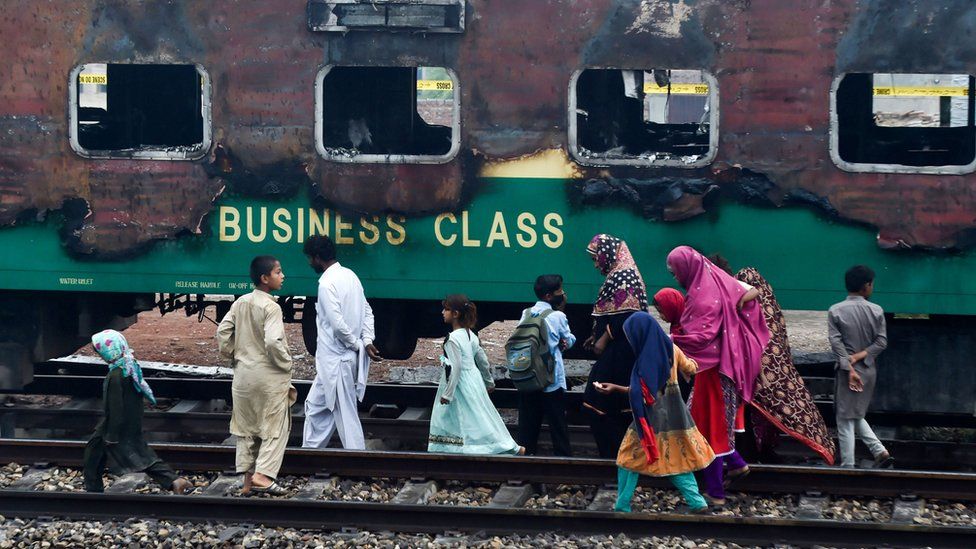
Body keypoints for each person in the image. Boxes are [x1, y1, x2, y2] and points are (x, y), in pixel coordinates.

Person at [705, 255, 836, 465]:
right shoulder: (751, 293)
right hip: (766, 367)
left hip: (752, 370)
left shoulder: (734, 289)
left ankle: (751, 454)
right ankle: (761, 452)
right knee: (767, 413)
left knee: (747, 416)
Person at [666, 246, 770, 506]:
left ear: (687, 268)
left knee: (710, 430)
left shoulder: (701, 297)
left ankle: (716, 493)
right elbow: (755, 290)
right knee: (706, 426)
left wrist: (667, 340)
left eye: (675, 272)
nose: (676, 278)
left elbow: (700, 338)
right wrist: (739, 304)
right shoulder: (717, 282)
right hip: (720, 367)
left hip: (714, 372)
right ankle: (735, 464)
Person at [594, 312, 714, 514]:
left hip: (650, 419)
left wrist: (615, 389)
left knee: (626, 458)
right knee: (676, 456)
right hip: (675, 416)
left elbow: (645, 394)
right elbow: (691, 368)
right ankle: (697, 501)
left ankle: (622, 506)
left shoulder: (645, 359)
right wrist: (687, 367)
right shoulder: (671, 348)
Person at [216, 256, 297, 495]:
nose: (282, 276)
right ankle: (264, 475)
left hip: (243, 375)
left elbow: (223, 332)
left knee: (246, 427)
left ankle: (248, 482)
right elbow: (273, 341)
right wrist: (286, 363)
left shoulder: (241, 301)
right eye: (278, 272)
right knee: (274, 426)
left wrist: (233, 356)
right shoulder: (271, 307)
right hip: (267, 377)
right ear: (265, 278)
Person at [83, 330, 191, 494]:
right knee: (137, 453)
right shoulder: (129, 365)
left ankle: (93, 491)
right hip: (131, 420)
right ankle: (174, 481)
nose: (101, 356)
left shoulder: (115, 375)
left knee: (100, 453)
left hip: (115, 424)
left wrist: (112, 434)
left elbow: (115, 407)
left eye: (100, 352)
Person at [302, 235, 381, 449]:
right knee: (315, 407)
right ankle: (309, 454)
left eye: (310, 258)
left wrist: (359, 344)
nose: (310, 263)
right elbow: (367, 312)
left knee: (345, 413)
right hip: (336, 362)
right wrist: (366, 340)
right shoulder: (350, 276)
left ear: (318, 258)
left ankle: (357, 457)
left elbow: (337, 326)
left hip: (337, 362)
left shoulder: (326, 285)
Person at [428, 294, 525, 455]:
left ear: (456, 314)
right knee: (479, 413)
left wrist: (448, 393)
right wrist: (488, 382)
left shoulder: (451, 339)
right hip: (473, 379)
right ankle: (479, 446)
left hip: (458, 382)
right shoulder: (471, 335)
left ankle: (497, 446)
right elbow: (482, 360)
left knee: (456, 415)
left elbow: (455, 367)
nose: (442, 312)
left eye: (446, 309)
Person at [583, 234, 648, 458]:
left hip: (621, 351)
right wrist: (596, 335)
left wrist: (603, 339)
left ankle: (614, 455)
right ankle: (622, 455)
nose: (596, 263)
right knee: (617, 403)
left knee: (597, 398)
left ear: (607, 253)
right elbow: (614, 312)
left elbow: (627, 316)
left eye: (596, 257)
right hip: (621, 350)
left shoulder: (623, 275)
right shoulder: (619, 273)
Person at [828, 265, 893, 468]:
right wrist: (860, 357)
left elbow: (837, 345)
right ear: (866, 286)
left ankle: (848, 465)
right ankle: (879, 451)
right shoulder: (876, 310)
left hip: (849, 372)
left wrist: (849, 365)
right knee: (854, 413)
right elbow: (881, 342)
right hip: (868, 370)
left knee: (845, 418)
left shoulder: (835, 311)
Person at [517, 275, 576, 456]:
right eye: (559, 290)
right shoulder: (558, 316)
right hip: (551, 378)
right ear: (550, 296)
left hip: (529, 375)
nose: (563, 293)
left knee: (528, 424)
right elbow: (568, 340)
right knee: (557, 424)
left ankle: (526, 459)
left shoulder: (526, 312)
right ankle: (563, 461)